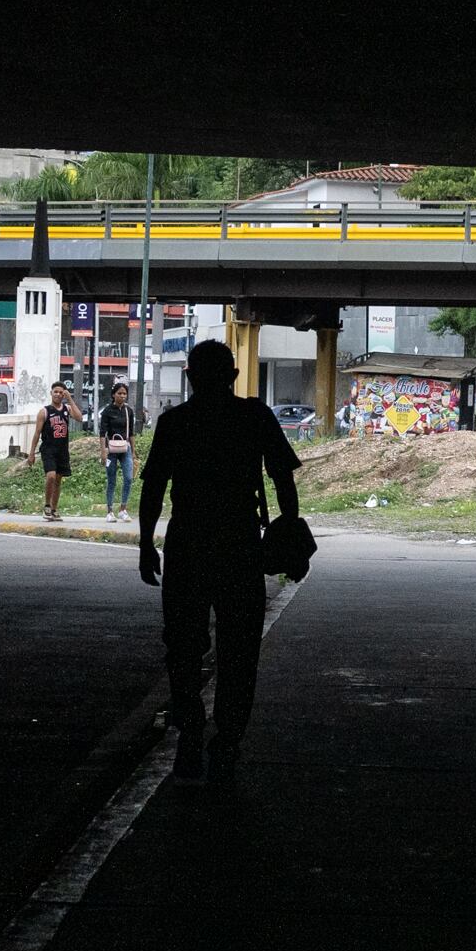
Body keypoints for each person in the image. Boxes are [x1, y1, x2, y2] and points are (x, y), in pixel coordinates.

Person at [139, 338, 299, 789]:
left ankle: (190, 729)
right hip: (239, 543)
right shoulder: (254, 417)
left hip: (188, 543)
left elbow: (153, 491)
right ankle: (227, 742)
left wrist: (145, 544)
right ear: (232, 377)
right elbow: (283, 478)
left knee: (184, 645)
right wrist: (287, 529)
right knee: (239, 650)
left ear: (190, 377)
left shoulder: (175, 423)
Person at [33, 381, 80, 520]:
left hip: (62, 450)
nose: (58, 395)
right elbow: (37, 433)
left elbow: (79, 418)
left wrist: (70, 399)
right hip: (48, 449)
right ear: (51, 393)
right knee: (51, 476)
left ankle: (54, 509)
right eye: (56, 392)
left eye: (61, 392)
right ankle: (47, 505)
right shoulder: (44, 412)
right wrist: (31, 453)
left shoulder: (67, 409)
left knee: (58, 479)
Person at [98, 381, 137, 519]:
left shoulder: (129, 411)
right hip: (111, 450)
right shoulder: (107, 411)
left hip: (125, 448)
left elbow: (131, 433)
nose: (122, 396)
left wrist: (133, 451)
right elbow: (102, 433)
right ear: (113, 394)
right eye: (119, 393)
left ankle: (123, 509)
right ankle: (109, 511)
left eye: (124, 394)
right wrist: (103, 451)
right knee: (112, 480)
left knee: (128, 477)